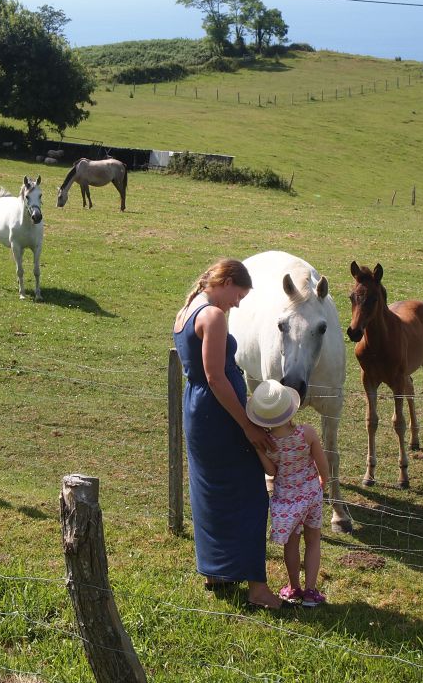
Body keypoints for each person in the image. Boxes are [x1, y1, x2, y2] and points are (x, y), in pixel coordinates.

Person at [172, 258, 281, 609]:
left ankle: (216, 571)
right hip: (220, 416)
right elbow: (216, 377)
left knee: (211, 492)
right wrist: (248, 426)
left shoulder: (188, 308)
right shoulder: (213, 316)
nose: (238, 303)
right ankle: (258, 588)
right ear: (227, 281)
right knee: (251, 494)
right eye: (239, 295)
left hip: (199, 411)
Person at [247, 379, 330, 607]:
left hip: (286, 499)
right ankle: (311, 592)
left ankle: (294, 588)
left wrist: (258, 450)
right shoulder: (307, 433)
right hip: (311, 494)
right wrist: (323, 481)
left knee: (291, 544)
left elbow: (271, 471)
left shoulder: (267, 444)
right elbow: (323, 465)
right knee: (313, 541)